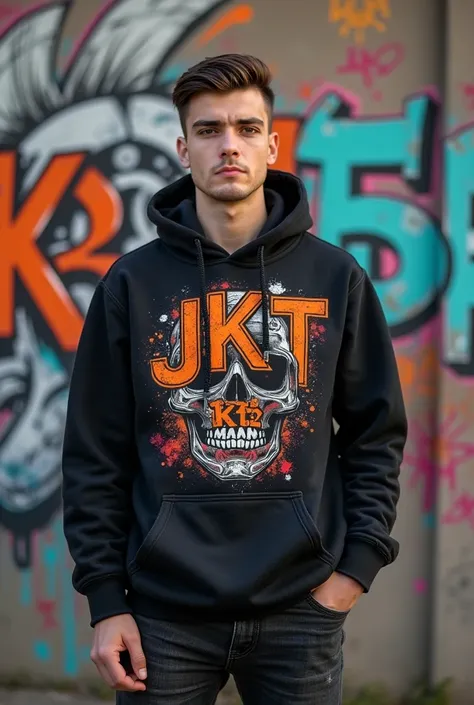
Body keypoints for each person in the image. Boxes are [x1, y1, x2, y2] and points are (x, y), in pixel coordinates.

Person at [62, 53, 407, 704]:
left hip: (301, 608)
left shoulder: (335, 279)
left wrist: (353, 571)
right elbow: (94, 451)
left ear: (273, 144)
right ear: (182, 147)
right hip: (162, 610)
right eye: (209, 129)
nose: (230, 146)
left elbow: (375, 432)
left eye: (247, 129)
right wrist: (105, 600)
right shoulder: (132, 284)